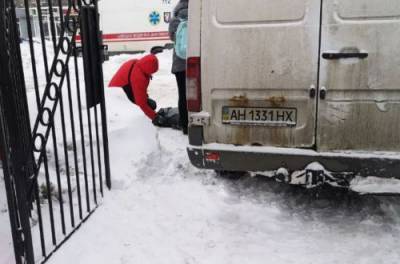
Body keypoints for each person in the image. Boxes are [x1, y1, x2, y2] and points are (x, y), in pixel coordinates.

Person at [109, 54, 167, 127]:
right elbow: (141, 102)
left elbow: (141, 91)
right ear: (149, 69)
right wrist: (155, 117)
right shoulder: (138, 77)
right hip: (118, 98)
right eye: (152, 71)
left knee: (151, 104)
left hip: (116, 90)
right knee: (151, 105)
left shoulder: (136, 62)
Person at [169, 0, 189, 134]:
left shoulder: (175, 19)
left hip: (179, 63)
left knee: (182, 94)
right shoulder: (198, 15)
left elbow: (172, 38)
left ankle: (185, 126)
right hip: (196, 60)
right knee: (196, 94)